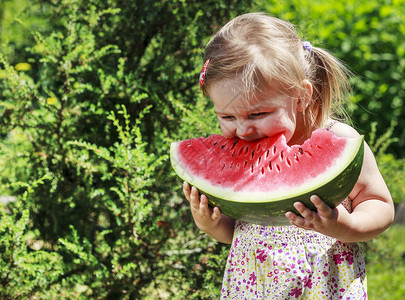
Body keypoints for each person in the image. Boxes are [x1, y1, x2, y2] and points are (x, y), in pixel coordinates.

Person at [182, 12, 394, 299]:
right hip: (254, 289)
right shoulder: (243, 154)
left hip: (324, 286)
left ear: (301, 96)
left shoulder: (342, 140)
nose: (243, 129)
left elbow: (379, 204)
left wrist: (345, 225)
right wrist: (212, 224)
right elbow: (239, 231)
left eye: (258, 113)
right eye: (227, 116)